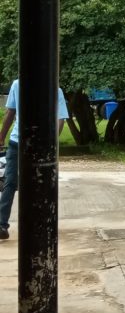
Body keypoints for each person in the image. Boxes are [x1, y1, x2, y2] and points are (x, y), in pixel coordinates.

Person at [0, 78, 68, 240]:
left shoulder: (54, 89)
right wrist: (1, 137)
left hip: (40, 145)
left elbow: (60, 119)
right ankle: (1, 224)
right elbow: (11, 112)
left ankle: (41, 222)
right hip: (18, 142)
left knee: (39, 183)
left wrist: (51, 143)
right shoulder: (17, 84)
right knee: (10, 182)